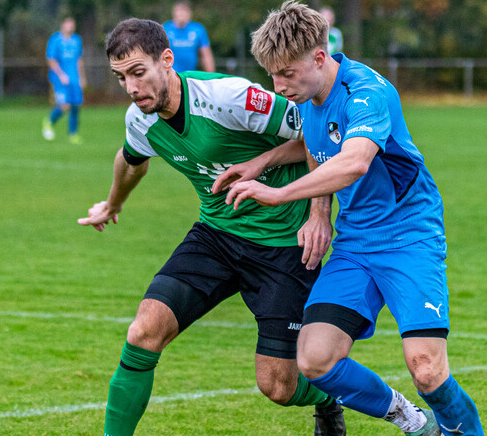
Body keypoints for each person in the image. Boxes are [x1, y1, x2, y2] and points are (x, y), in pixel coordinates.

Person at [218, 2, 485, 435]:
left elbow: (355, 160)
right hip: (355, 241)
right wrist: (294, 188)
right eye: (271, 75)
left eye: (286, 73)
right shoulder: (308, 96)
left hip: (409, 235)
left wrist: (280, 193)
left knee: (427, 370)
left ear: (319, 58)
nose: (278, 86)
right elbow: (315, 142)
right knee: (314, 359)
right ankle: (413, 422)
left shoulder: (366, 92)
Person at [79, 18, 345, 436]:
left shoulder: (229, 98)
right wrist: (113, 204)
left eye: (138, 72)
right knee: (143, 332)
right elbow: (130, 161)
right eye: (120, 78)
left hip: (282, 243)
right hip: (216, 236)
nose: (131, 87)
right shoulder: (140, 120)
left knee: (278, 386)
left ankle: (328, 399)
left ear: (167, 60)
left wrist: (318, 214)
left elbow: (317, 133)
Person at [42, 17, 86, 144]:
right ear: (62, 25)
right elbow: (51, 60)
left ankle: (73, 134)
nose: (70, 27)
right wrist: (61, 75)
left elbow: (79, 60)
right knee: (64, 105)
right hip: (60, 79)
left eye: (72, 24)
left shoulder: (77, 40)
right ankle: (49, 121)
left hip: (74, 78)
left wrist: (82, 77)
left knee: (76, 105)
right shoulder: (55, 39)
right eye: (68, 24)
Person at [163, 1, 215, 73]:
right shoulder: (165, 29)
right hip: (170, 74)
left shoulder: (198, 29)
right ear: (173, 12)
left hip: (190, 75)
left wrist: (211, 76)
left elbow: (206, 56)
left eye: (184, 11)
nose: (181, 14)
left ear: (189, 13)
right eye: (179, 10)